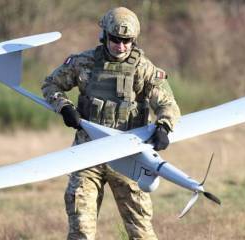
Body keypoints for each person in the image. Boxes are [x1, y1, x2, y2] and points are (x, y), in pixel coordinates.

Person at [42, 7, 180, 240]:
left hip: (127, 158)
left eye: (127, 41)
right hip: (87, 155)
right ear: (105, 36)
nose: (121, 46)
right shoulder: (81, 63)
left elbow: (168, 104)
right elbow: (50, 85)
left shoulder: (144, 69)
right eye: (116, 39)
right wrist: (63, 106)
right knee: (80, 233)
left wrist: (164, 126)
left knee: (142, 233)